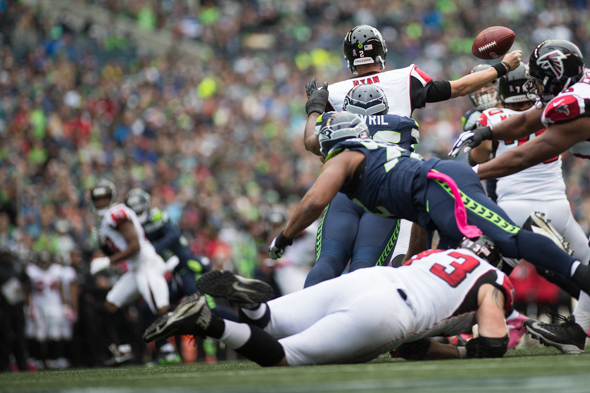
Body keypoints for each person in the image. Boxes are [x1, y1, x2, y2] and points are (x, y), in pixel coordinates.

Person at [269, 111, 590, 308]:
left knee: (511, 240)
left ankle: (583, 277)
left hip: (443, 185)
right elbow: (420, 218)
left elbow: (313, 201)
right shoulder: (370, 162)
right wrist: (414, 263)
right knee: (445, 276)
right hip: (434, 198)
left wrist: (284, 237)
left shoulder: (345, 157)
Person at [303, 24, 523, 266]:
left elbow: (316, 147)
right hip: (391, 187)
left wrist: (314, 107)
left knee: (328, 262)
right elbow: (461, 87)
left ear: (349, 57)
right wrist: (503, 67)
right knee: (378, 267)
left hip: (345, 188)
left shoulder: (331, 93)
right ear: (381, 52)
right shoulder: (403, 78)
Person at [143, 236, 513, 366]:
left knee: (268, 319)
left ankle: (249, 304)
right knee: (279, 355)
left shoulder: (438, 255)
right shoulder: (493, 279)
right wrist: (471, 351)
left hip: (368, 278)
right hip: (392, 311)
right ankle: (210, 321)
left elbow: (412, 350)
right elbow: (495, 341)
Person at [448, 39, 590, 354]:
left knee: (486, 273)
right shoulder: (576, 88)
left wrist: (471, 173)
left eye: (540, 80)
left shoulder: (573, 108)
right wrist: (487, 133)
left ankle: (463, 328)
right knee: (585, 262)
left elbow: (524, 155)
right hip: (558, 205)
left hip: (516, 207)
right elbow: (527, 121)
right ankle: (577, 330)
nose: (536, 88)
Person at [302, 85, 419, 288]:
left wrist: (314, 107)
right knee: (365, 268)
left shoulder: (331, 120)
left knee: (327, 262)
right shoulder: (403, 124)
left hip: (343, 198)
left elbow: (311, 144)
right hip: (382, 201)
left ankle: (305, 316)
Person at [125, 188, 235, 365]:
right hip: (174, 274)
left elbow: (173, 234)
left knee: (207, 310)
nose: (138, 213)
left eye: (139, 209)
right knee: (149, 308)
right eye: (134, 210)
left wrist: (152, 251)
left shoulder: (158, 217)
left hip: (188, 269)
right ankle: (167, 351)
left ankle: (251, 327)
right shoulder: (132, 228)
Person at [89, 179, 169, 365]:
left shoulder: (116, 214)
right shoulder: (107, 219)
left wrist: (107, 261)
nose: (101, 202)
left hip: (145, 264)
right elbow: (123, 248)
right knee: (111, 304)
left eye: (104, 198)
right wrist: (104, 246)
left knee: (160, 308)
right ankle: (124, 349)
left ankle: (168, 349)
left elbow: (135, 246)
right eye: (98, 199)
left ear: (112, 198)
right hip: (136, 268)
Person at [0, 244, 29, 372]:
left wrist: (23, 287)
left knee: (20, 337)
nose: (6, 257)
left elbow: (28, 282)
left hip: (17, 306)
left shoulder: (17, 266)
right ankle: (4, 365)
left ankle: (22, 365)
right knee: (4, 337)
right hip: (3, 307)